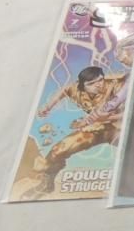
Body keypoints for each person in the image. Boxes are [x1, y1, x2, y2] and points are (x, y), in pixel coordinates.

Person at [28, 65, 128, 195]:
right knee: (58, 151)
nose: (99, 85)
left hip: (120, 127)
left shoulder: (116, 86)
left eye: (100, 80)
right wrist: (48, 107)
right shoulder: (77, 90)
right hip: (96, 129)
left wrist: (110, 117)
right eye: (91, 83)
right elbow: (64, 90)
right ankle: (47, 184)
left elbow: (133, 111)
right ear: (82, 86)